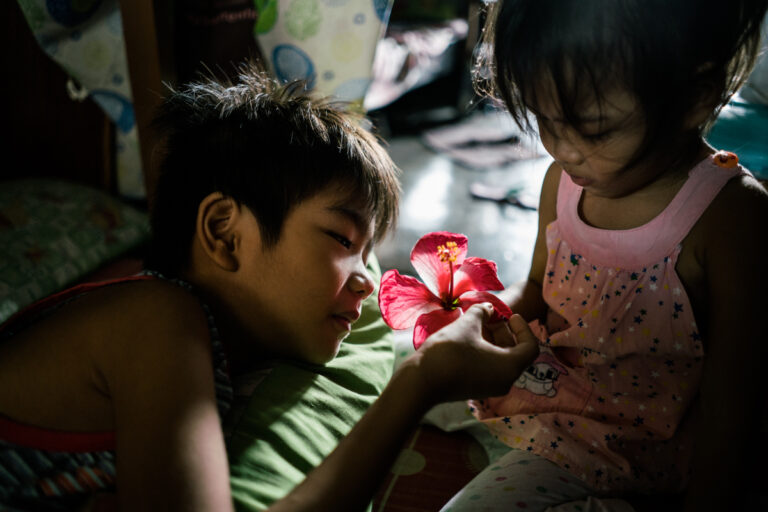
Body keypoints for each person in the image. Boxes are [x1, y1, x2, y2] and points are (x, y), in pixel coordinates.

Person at [0, 67, 540, 511]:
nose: (363, 279)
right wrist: (418, 383)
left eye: (368, 254)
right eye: (340, 237)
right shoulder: (155, 320)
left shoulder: (196, 339)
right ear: (224, 233)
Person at [440, 1, 768, 511]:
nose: (563, 149)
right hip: (553, 390)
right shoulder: (564, 183)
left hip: (635, 446)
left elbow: (736, 394)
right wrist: (489, 316)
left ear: (695, 99)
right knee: (412, 378)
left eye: (591, 127)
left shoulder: (728, 215)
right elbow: (535, 285)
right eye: (545, 118)